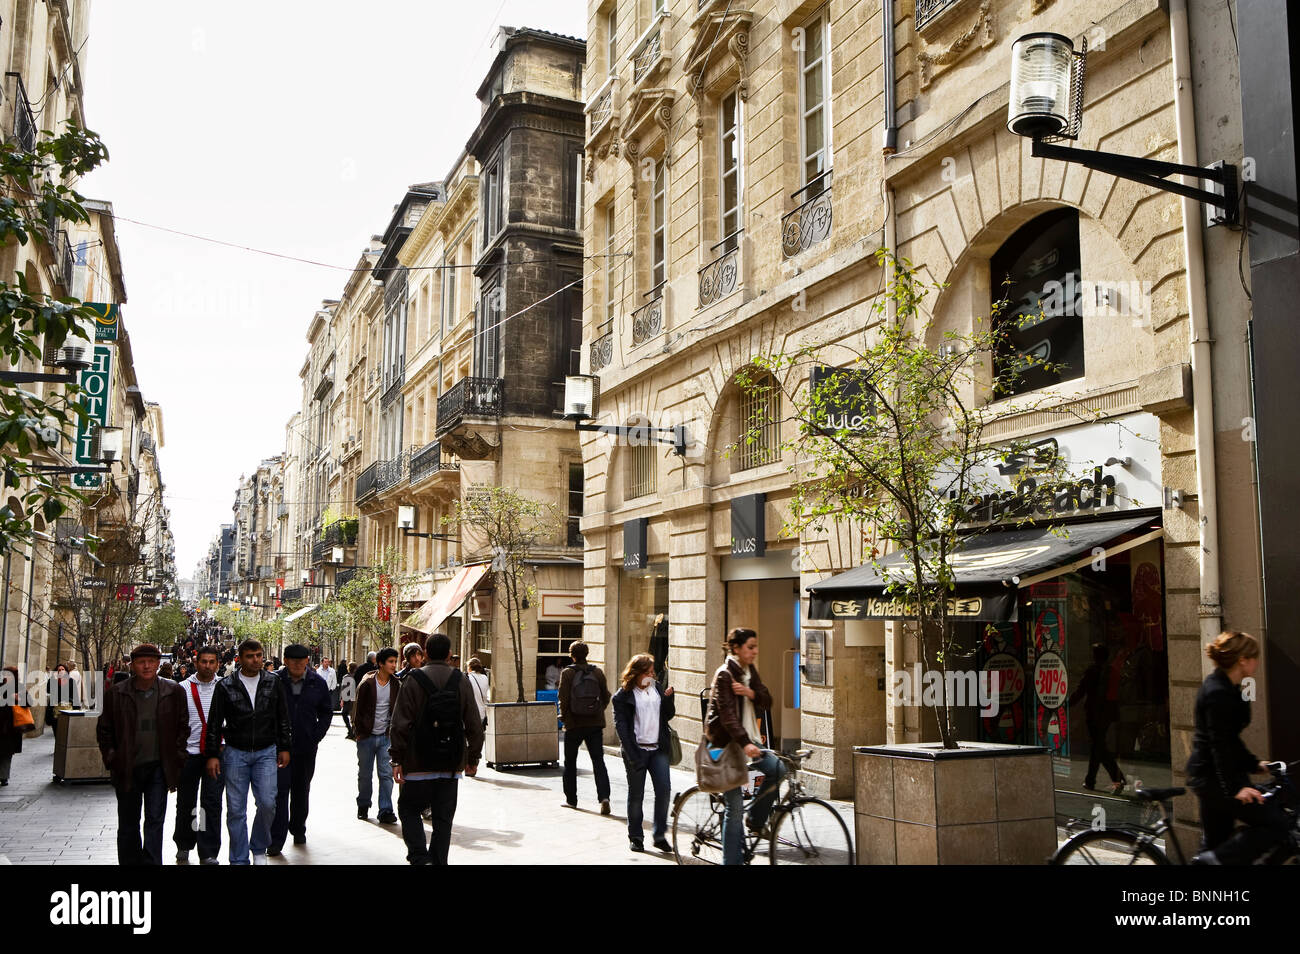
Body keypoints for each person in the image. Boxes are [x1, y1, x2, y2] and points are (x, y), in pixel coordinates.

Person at [1186, 630, 1290, 864]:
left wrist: (1255, 764)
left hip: (1212, 777)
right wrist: (1236, 789)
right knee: (1276, 823)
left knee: (1216, 843)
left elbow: (1230, 740)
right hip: (1215, 779)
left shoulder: (1227, 687)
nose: (1257, 662)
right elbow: (1219, 745)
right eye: (1254, 657)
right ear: (1242, 660)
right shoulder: (1217, 692)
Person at [389, 633, 485, 864]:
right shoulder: (461, 680)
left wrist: (397, 759)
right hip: (450, 764)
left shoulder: (413, 680)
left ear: (425, 654)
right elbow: (474, 723)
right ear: (450, 654)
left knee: (409, 809)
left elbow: (399, 723)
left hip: (417, 761)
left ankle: (419, 856)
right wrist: (473, 757)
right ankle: (439, 860)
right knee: (443, 818)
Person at [96, 644, 189, 865]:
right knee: (128, 821)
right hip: (128, 765)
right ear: (133, 665)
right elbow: (104, 729)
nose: (146, 666)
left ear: (158, 664)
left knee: (155, 820)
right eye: (141, 662)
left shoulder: (173, 691)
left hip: (159, 766)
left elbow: (182, 726)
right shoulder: (117, 693)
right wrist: (112, 757)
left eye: (151, 661)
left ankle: (152, 862)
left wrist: (177, 755)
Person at [204, 638, 292, 865]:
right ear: (240, 659)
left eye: (259, 655)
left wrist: (284, 747)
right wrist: (213, 754)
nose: (256, 660)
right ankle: (239, 859)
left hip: (266, 751)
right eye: (251, 656)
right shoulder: (225, 685)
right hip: (235, 752)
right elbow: (214, 723)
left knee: (267, 802)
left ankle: (259, 847)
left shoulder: (273, 682)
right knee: (235, 809)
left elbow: (283, 717)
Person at [706, 627, 785, 865]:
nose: (755, 651)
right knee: (734, 807)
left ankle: (756, 820)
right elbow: (727, 716)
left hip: (748, 741)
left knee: (779, 769)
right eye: (750, 647)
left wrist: (750, 692)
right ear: (737, 648)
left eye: (755, 646)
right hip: (725, 746)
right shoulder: (724, 675)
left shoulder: (749, 672)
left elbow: (768, 700)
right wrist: (745, 743)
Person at [269, 645, 333, 855]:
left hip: (306, 747)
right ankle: (276, 839)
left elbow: (326, 712)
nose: (297, 664)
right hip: (279, 748)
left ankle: (298, 828)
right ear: (285, 661)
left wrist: (316, 735)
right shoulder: (274, 681)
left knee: (301, 789)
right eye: (293, 660)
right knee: (279, 792)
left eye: (301, 660)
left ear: (307, 661)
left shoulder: (318, 683)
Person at [612, 653, 675, 853]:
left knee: (664, 791)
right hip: (636, 750)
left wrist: (668, 699)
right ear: (636, 673)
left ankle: (659, 835)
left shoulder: (656, 688)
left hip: (658, 749)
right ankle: (636, 837)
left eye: (652, 672)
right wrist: (633, 754)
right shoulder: (622, 697)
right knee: (636, 795)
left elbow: (668, 715)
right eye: (647, 672)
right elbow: (621, 728)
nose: (651, 675)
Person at [175, 645, 223, 865]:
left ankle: (208, 850)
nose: (208, 666)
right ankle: (185, 843)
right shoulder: (182, 688)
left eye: (212, 662)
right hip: (190, 753)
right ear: (196, 663)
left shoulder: (224, 687)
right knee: (187, 802)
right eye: (204, 661)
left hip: (216, 753)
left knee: (210, 803)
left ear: (218, 664)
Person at [558, 640, 611, 814]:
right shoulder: (597, 672)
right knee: (598, 761)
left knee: (570, 762)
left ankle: (571, 800)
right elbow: (606, 695)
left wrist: (565, 719)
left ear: (572, 655)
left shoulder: (567, 673)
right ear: (587, 654)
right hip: (595, 724)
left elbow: (563, 700)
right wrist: (596, 711)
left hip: (574, 724)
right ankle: (604, 798)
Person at [1069, 643, 1125, 794]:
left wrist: (1067, 704)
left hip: (1094, 713)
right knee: (1097, 746)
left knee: (1098, 746)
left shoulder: (1092, 671)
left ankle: (1114, 777)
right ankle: (1092, 780)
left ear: (1095, 656)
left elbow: (1081, 690)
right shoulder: (1111, 670)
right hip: (1107, 713)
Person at [353, 647, 400, 824]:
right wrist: (358, 732)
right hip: (366, 737)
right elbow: (357, 709)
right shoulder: (367, 683)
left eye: (395, 662)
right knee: (365, 774)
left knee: (386, 774)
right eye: (390, 662)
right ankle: (363, 805)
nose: (394, 665)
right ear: (380, 663)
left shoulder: (396, 684)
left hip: (386, 737)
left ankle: (386, 810)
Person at [1, 666, 34, 786]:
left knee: (6, 752)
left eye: (9, 675)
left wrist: (18, 698)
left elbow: (30, 702)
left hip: (11, 727)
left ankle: (4, 777)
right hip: (1, 723)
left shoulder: (19, 687)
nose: (6, 677)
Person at [466, 657, 489, 730]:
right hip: (482, 713)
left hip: (471, 714)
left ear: (469, 667)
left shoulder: (467, 678)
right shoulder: (485, 677)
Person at [340, 663, 357, 740]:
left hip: (348, 699)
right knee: (353, 716)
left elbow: (344, 689)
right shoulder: (357, 677)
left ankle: (350, 731)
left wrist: (342, 700)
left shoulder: (346, 677)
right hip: (354, 699)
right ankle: (352, 731)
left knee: (344, 714)